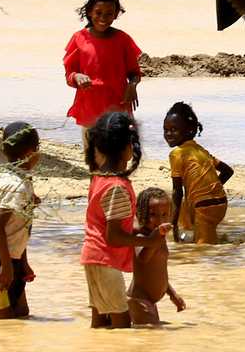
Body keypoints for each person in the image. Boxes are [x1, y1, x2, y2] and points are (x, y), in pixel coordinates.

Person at [82, 111, 169, 330]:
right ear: (129, 148)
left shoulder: (99, 178)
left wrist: (142, 230)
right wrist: (148, 242)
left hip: (93, 257)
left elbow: (107, 222)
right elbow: (114, 237)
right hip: (105, 260)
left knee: (100, 324)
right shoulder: (117, 187)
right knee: (122, 327)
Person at [0, 122, 41, 320]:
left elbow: (21, 226)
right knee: (5, 318)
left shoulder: (22, 179)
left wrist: (23, 262)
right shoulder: (16, 186)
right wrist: (7, 267)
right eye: (37, 149)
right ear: (30, 152)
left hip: (12, 255)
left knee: (22, 314)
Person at [65, 0, 144, 141]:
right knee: (93, 158)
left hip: (118, 105)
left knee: (118, 154)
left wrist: (132, 85)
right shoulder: (78, 38)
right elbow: (69, 75)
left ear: (116, 14)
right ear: (89, 12)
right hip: (89, 106)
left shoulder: (123, 40)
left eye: (109, 14)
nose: (103, 18)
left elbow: (134, 73)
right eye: (98, 12)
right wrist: (78, 76)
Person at [164, 102, 234, 244]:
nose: (169, 134)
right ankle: (197, 235)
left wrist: (174, 224)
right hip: (220, 202)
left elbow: (177, 191)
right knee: (202, 235)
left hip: (204, 205)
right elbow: (228, 171)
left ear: (189, 130)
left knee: (203, 250)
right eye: (166, 130)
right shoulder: (200, 150)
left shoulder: (176, 154)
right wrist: (213, 190)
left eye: (174, 129)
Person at [128, 187, 186, 326]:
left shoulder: (160, 239)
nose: (160, 220)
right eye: (153, 215)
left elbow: (159, 272)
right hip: (139, 300)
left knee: (155, 337)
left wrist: (172, 294)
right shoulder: (141, 238)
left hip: (149, 301)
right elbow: (143, 258)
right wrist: (154, 239)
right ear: (141, 215)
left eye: (165, 214)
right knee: (152, 339)